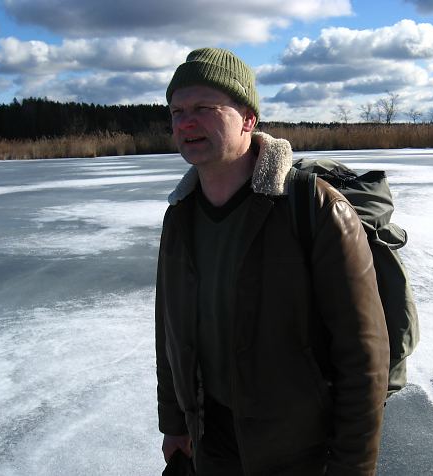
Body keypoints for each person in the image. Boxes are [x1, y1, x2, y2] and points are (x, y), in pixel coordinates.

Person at [155, 47, 390, 476]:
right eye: (177, 111)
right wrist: (174, 421)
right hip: (212, 440)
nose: (185, 122)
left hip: (299, 450)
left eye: (204, 108)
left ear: (248, 118)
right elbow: (168, 330)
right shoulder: (180, 215)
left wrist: (352, 467)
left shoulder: (315, 208)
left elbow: (364, 358)